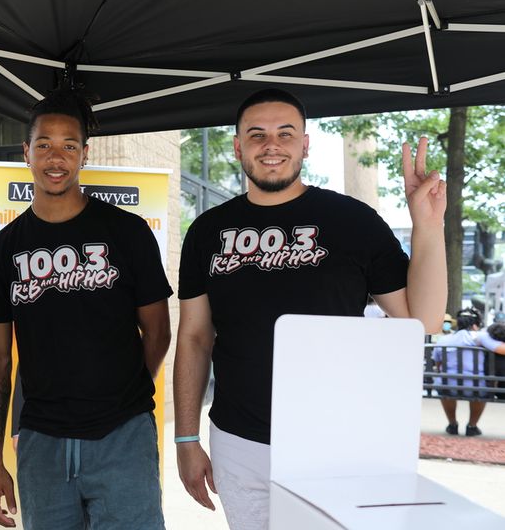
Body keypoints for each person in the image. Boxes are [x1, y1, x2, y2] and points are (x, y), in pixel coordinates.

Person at [173, 88, 447, 530]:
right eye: (257, 135)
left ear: (305, 144)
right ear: (238, 146)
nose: (271, 145)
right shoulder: (207, 231)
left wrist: (428, 226)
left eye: (285, 133)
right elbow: (194, 337)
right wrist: (186, 438)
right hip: (238, 441)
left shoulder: (353, 221)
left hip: (335, 445)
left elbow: (423, 319)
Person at [0, 87, 173, 530]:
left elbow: (158, 331)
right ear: (26, 151)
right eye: (44, 144)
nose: (55, 157)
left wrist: (122, 393)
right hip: (42, 444)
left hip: (123, 437)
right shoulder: (2, 251)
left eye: (68, 146)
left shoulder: (128, 231)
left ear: (84, 154)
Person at [432, 309, 505, 436]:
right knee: (480, 385)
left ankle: (452, 424)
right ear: (475, 325)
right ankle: (472, 426)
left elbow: (438, 364)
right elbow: (501, 350)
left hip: (447, 386)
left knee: (444, 382)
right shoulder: (480, 337)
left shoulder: (443, 340)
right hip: (476, 387)